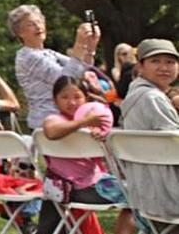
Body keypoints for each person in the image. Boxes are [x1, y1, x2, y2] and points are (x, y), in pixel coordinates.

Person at [35, 76, 134, 234]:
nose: (72, 102)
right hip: (81, 190)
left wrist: (100, 140)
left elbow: (108, 159)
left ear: (86, 99)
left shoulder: (92, 126)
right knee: (141, 197)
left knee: (140, 192)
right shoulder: (54, 120)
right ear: (55, 100)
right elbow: (51, 132)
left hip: (73, 191)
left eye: (77, 97)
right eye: (65, 97)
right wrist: (83, 123)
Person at [9, 5, 101, 130]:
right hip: (47, 123)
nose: (38, 26)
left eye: (40, 22)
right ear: (19, 32)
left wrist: (90, 47)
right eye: (31, 24)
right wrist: (79, 43)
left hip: (65, 120)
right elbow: (66, 80)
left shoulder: (48, 52)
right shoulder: (27, 56)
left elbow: (81, 68)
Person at [118, 39, 179, 223]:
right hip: (168, 193)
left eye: (170, 62)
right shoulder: (152, 98)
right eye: (155, 61)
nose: (164, 67)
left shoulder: (135, 94)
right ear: (141, 66)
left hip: (144, 194)